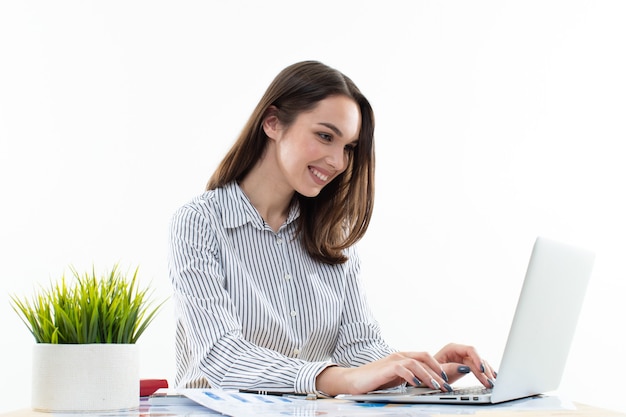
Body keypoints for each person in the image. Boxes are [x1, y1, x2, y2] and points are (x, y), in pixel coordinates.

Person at [168, 60, 497, 396]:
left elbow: (359, 347)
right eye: (325, 136)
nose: (339, 162)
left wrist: (412, 372)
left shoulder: (333, 234)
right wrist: (333, 379)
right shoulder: (199, 223)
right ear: (272, 123)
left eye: (348, 148)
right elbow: (222, 357)